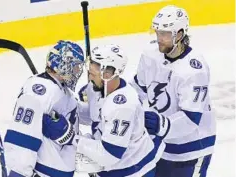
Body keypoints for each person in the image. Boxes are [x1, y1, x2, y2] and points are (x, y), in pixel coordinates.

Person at [130, 5, 216, 177]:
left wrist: (161, 124)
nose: (159, 38)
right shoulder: (150, 55)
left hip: (193, 148)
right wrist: (110, 95)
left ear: (180, 34)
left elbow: (192, 120)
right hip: (161, 145)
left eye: (165, 34)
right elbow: (137, 90)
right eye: (158, 32)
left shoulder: (194, 70)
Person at [58, 44, 165, 177]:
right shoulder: (96, 88)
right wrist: (70, 107)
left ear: (109, 73)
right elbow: (95, 116)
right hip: (112, 166)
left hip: (133, 170)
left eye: (93, 73)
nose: (90, 78)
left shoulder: (122, 106)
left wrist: (71, 137)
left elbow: (110, 154)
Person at [4, 40, 85, 177]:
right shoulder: (41, 90)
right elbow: (24, 133)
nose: (78, 72)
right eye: (75, 67)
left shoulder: (62, 90)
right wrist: (19, 173)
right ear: (63, 65)